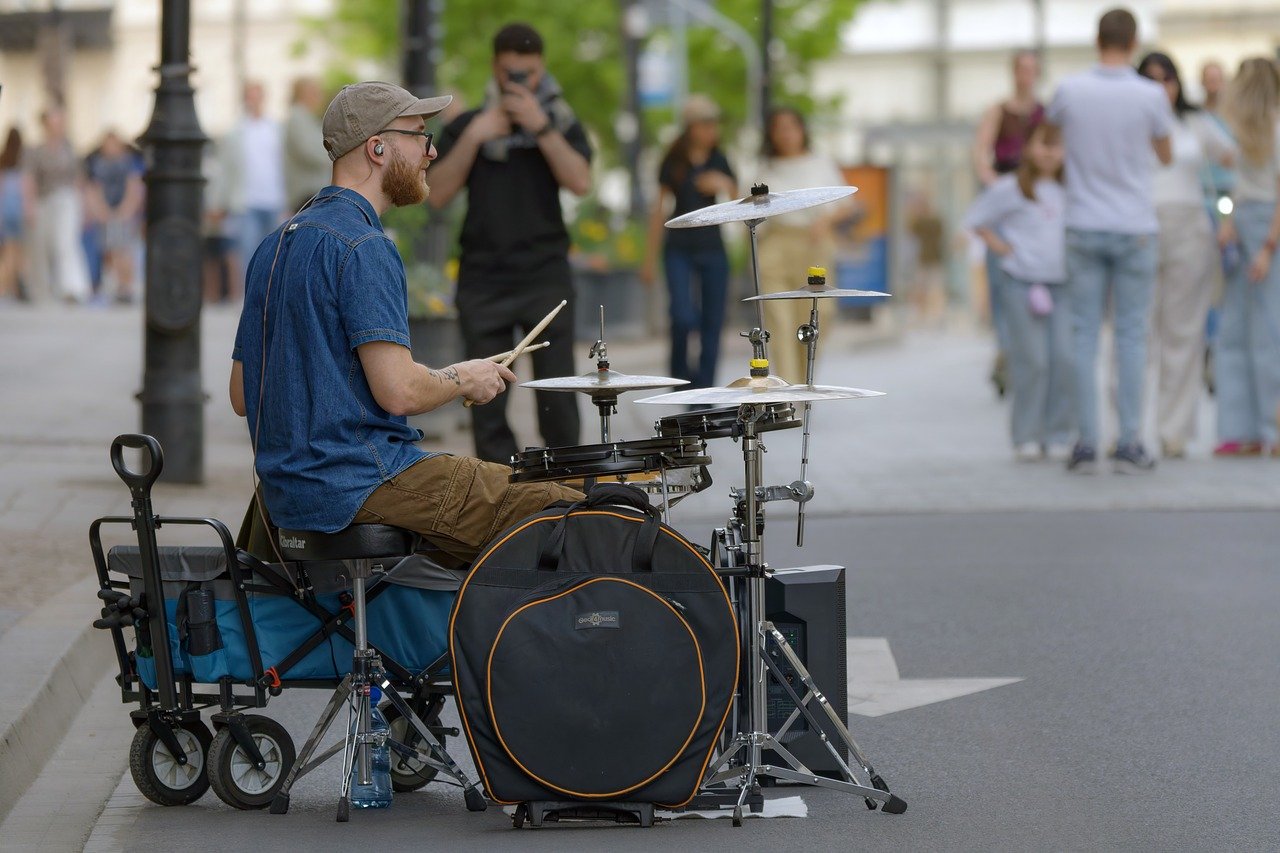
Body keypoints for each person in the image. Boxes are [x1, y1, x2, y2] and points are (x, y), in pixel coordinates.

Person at [230, 81, 581, 564]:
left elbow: (242, 394)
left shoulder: (273, 246)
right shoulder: (366, 247)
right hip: (362, 482)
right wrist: (465, 377)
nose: (432, 152)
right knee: (560, 507)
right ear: (378, 148)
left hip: (284, 496)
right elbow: (400, 392)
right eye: (420, 136)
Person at [428, 23, 592, 464]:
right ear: (494, 69)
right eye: (509, 73)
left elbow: (580, 181)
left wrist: (541, 129)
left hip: (545, 275)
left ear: (542, 70)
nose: (519, 83)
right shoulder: (468, 125)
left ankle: (568, 495)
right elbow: (436, 192)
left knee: (558, 397)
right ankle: (502, 504)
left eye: (529, 74)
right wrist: (477, 135)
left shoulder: (559, 121)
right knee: (486, 404)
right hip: (484, 279)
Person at [1046, 8, 1174, 474]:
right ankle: (1129, 442)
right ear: (1134, 40)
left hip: (1082, 220)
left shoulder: (1070, 89)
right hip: (1135, 225)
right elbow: (1165, 153)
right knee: (1131, 335)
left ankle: (1085, 442)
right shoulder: (1150, 95)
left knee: (1084, 335)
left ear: (1096, 38)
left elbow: (1052, 138)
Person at [1137, 53, 1236, 459]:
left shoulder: (1195, 123)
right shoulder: (1128, 123)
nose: (1162, 88)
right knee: (1135, 333)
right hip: (1139, 229)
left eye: (1168, 79)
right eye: (1152, 79)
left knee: (1184, 332)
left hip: (1190, 228)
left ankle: (1174, 430)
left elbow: (1239, 157)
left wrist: (1234, 212)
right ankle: (1124, 428)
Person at [965, 123, 1073, 462]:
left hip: (1063, 284)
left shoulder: (1073, 188)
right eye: (1042, 145)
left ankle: (1058, 432)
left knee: (1064, 358)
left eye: (1056, 146)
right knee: (1033, 361)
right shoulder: (1010, 188)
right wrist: (1004, 249)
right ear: (1028, 149)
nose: (1049, 153)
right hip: (1022, 283)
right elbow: (976, 220)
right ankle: (1026, 435)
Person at [641, 95, 736, 390]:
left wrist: (722, 184)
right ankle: (681, 381)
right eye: (705, 124)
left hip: (713, 248)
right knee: (682, 316)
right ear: (691, 127)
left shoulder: (720, 160)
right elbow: (659, 209)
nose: (711, 130)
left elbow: (740, 201)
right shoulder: (673, 161)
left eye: (713, 124)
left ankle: (705, 388)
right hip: (679, 248)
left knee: (713, 322)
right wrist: (649, 258)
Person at [753, 106, 849, 384]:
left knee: (816, 318)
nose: (786, 134)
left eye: (791, 127)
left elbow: (846, 203)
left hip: (814, 244)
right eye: (779, 128)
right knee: (780, 323)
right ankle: (789, 389)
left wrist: (826, 220)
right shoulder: (765, 169)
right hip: (776, 243)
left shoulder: (819, 163)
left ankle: (805, 381)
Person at [1213, 57, 1280, 457]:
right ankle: (1242, 429)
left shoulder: (1275, 128)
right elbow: (1239, 187)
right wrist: (1229, 224)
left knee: (1268, 334)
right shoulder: (1243, 132)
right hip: (1245, 227)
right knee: (1235, 330)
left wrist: (1268, 249)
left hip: (1268, 230)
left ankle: (1269, 429)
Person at [973, 50, 1046, 398]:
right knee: (1002, 276)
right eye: (1022, 69)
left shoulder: (1044, 114)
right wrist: (997, 188)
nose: (1026, 75)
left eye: (1032, 69)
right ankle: (1006, 347)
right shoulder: (998, 111)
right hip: (1007, 200)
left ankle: (1025, 351)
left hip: (1035, 201)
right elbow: (981, 153)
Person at [211, 81, 286, 296]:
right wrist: (218, 202)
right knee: (248, 253)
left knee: (276, 254)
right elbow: (224, 170)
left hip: (274, 200)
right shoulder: (235, 133)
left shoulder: (276, 129)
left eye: (257, 95)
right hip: (246, 202)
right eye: (249, 96)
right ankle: (251, 299)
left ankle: (272, 299)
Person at [21, 106, 92, 304]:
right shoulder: (35, 151)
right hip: (43, 201)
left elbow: (79, 178)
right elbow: (29, 179)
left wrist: (85, 206)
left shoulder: (70, 149)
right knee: (40, 246)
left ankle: (72, 287)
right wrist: (29, 206)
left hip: (67, 200)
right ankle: (41, 289)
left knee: (65, 242)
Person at [84, 130, 145, 303]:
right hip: (105, 213)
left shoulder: (129, 163)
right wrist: (101, 210)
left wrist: (126, 210)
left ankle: (126, 286)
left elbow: (134, 188)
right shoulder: (97, 163)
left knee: (124, 249)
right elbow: (94, 188)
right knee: (108, 250)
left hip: (124, 213)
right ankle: (112, 285)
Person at [284, 77, 332, 213]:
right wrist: (334, 157)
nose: (319, 96)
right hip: (306, 193)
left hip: (314, 190)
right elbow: (307, 151)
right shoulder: (297, 117)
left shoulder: (308, 118)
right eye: (314, 91)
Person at [0, 128, 24, 303]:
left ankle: (9, 289)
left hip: (5, 211)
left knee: (9, 252)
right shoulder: (23, 160)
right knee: (17, 253)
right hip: (19, 210)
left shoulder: (3, 159)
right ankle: (9, 288)